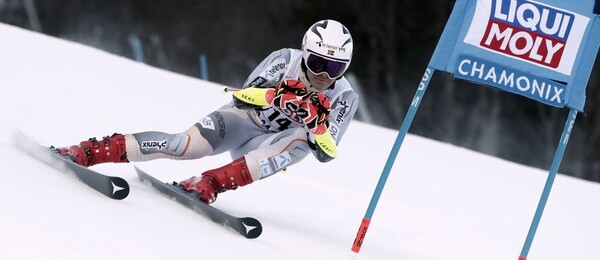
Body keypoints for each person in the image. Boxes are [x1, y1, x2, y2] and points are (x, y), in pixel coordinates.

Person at [54, 19, 359, 204]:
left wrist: (316, 126)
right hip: (242, 122)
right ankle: (90, 150)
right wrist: (276, 95)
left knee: (300, 143)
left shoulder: (344, 95)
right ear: (305, 53)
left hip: (264, 147)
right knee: (183, 146)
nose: (324, 74)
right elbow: (242, 96)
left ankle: (208, 183)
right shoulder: (285, 59)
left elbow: (327, 152)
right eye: (318, 63)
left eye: (335, 67)